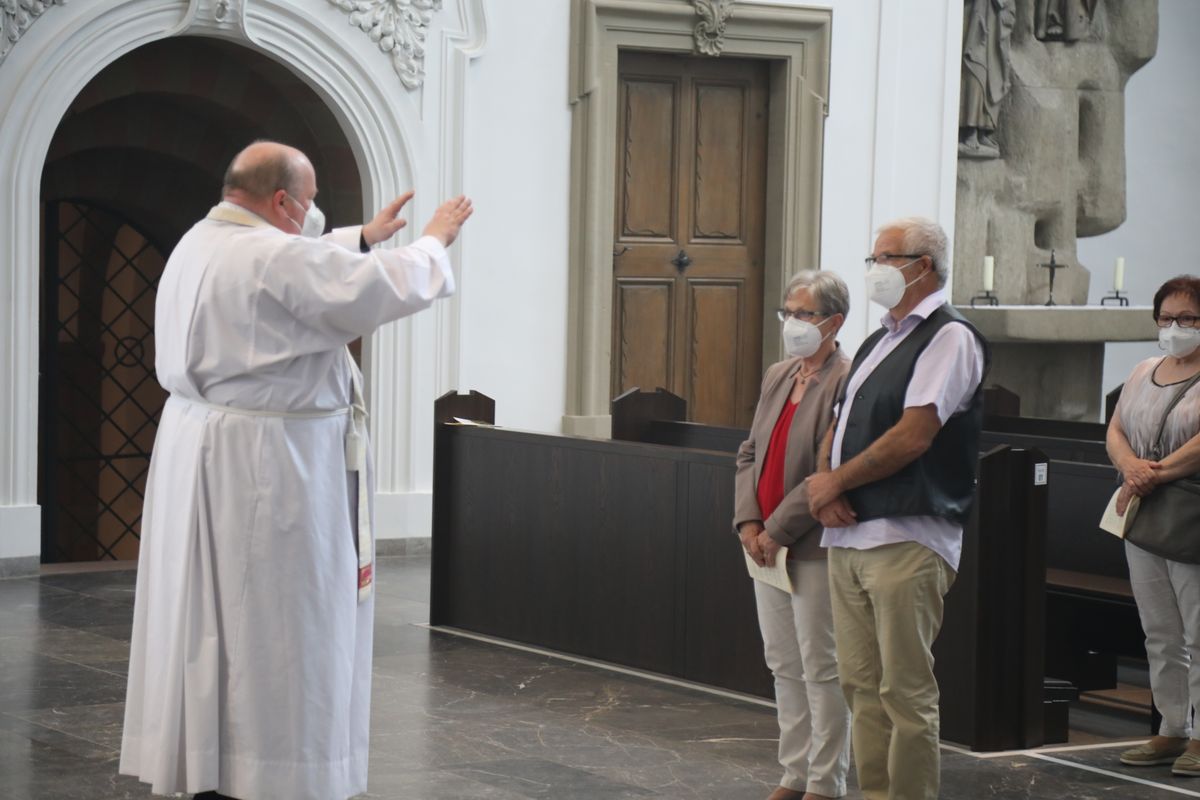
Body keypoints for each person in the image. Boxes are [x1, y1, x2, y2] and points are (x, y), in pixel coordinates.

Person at [119, 140, 473, 800]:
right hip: (271, 467)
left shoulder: (202, 239)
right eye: (307, 204)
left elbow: (303, 261)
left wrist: (361, 237)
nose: (313, 218)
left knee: (211, 619)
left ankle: (209, 759)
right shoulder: (271, 256)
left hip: (202, 446)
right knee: (281, 624)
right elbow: (366, 289)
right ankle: (276, 771)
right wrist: (432, 242)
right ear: (281, 201)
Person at [805, 217, 988, 800]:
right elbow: (842, 423)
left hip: (908, 536)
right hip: (853, 538)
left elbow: (914, 435)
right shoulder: (879, 337)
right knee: (860, 684)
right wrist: (827, 486)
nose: (874, 267)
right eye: (874, 255)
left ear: (922, 266)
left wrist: (835, 484)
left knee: (903, 691)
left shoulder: (948, 336)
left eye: (886, 257)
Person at [734, 271, 853, 800]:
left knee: (820, 665)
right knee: (782, 662)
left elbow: (826, 470)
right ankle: (794, 772)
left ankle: (826, 783)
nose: (793, 324)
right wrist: (749, 522)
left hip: (809, 545)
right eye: (789, 313)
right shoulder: (779, 374)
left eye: (805, 314)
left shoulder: (847, 379)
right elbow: (750, 452)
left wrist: (778, 529)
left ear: (834, 321)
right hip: (764, 543)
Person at [1107, 275, 1200, 776]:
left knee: (1199, 632)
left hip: (1190, 513)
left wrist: (1152, 473)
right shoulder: (1145, 369)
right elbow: (1117, 428)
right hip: (1142, 512)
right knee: (1160, 632)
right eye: (1167, 319)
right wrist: (1131, 468)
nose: (1176, 327)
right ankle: (1171, 729)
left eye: (1188, 319)